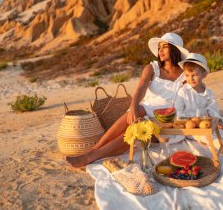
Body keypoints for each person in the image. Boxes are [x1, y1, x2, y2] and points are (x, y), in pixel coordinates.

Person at [66, 32, 190, 167]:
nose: (160, 50)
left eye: (164, 47)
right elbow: (140, 88)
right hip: (146, 109)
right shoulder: (152, 68)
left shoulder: (185, 75)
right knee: (139, 111)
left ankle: (91, 155)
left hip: (167, 117)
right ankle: (94, 150)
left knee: (135, 129)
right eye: (159, 47)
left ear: (175, 49)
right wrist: (133, 108)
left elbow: (191, 96)